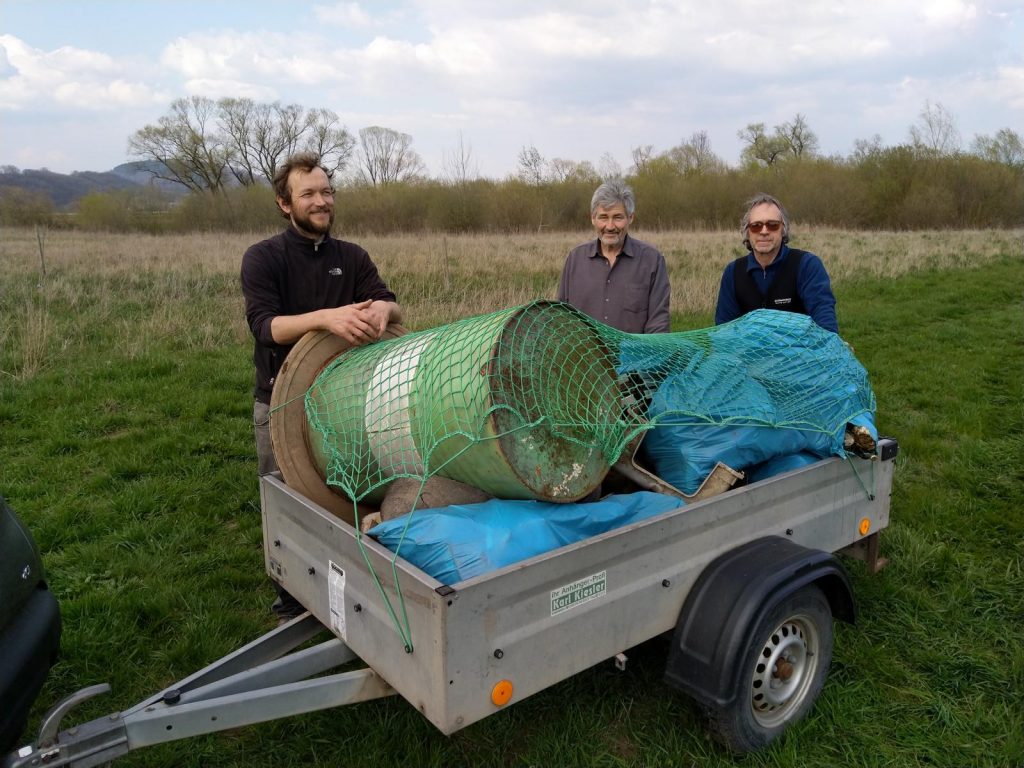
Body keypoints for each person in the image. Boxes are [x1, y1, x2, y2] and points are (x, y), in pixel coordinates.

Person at [241, 151, 401, 621]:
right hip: (281, 400)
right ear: (284, 204)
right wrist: (325, 319)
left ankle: (351, 578)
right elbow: (264, 327)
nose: (321, 201)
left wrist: (383, 312)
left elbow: (390, 303)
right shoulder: (263, 258)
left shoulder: (351, 257)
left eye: (326, 191)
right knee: (288, 496)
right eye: (308, 193)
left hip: (350, 402)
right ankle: (291, 590)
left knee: (346, 493)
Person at [557, 180, 670, 333]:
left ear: (630, 218)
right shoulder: (575, 259)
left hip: (634, 356)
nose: (610, 226)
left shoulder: (652, 261)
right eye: (603, 217)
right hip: (582, 356)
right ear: (593, 218)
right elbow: (561, 318)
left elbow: (658, 325)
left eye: (618, 217)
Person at [714, 193, 838, 332]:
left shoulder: (807, 265)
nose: (764, 231)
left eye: (772, 225)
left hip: (799, 352)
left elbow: (823, 316)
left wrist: (832, 344)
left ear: (783, 230)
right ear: (747, 231)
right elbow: (724, 329)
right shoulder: (733, 272)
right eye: (756, 225)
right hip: (749, 353)